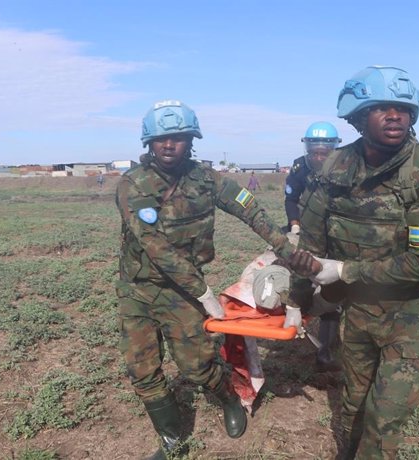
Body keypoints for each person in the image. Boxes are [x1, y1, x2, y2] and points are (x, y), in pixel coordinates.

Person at [287, 66, 419, 459]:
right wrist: (299, 302)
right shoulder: (336, 167)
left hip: (410, 313)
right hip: (360, 309)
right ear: (359, 117)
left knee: (385, 415)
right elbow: (310, 245)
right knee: (353, 400)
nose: (394, 115)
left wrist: (345, 271)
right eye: (381, 108)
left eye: (401, 108)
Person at [115, 100, 296, 459]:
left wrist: (285, 247)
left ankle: (228, 398)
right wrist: (204, 291)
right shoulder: (132, 185)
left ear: (191, 140)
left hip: (182, 292)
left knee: (197, 366)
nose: (169, 145)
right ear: (149, 142)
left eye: (179, 138)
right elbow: (154, 245)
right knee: (141, 369)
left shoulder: (207, 180)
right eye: (162, 138)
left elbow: (249, 208)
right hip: (137, 288)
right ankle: (171, 440)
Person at [285, 121, 343, 371]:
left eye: (324, 152)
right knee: (302, 276)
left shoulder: (346, 166)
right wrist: (294, 225)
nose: (318, 156)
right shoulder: (299, 167)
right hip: (306, 229)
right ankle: (297, 314)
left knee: (332, 288)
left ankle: (328, 349)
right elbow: (290, 199)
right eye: (314, 151)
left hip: (336, 231)